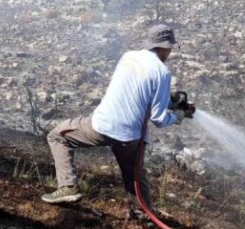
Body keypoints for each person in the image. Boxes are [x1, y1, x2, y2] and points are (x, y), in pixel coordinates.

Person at [43, 24, 193, 208]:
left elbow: (138, 89)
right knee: (134, 175)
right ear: (166, 47)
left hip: (102, 127)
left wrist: (170, 100)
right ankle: (144, 213)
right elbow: (159, 118)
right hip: (130, 138)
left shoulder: (128, 57)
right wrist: (178, 115)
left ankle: (68, 186)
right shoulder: (162, 73)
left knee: (58, 136)